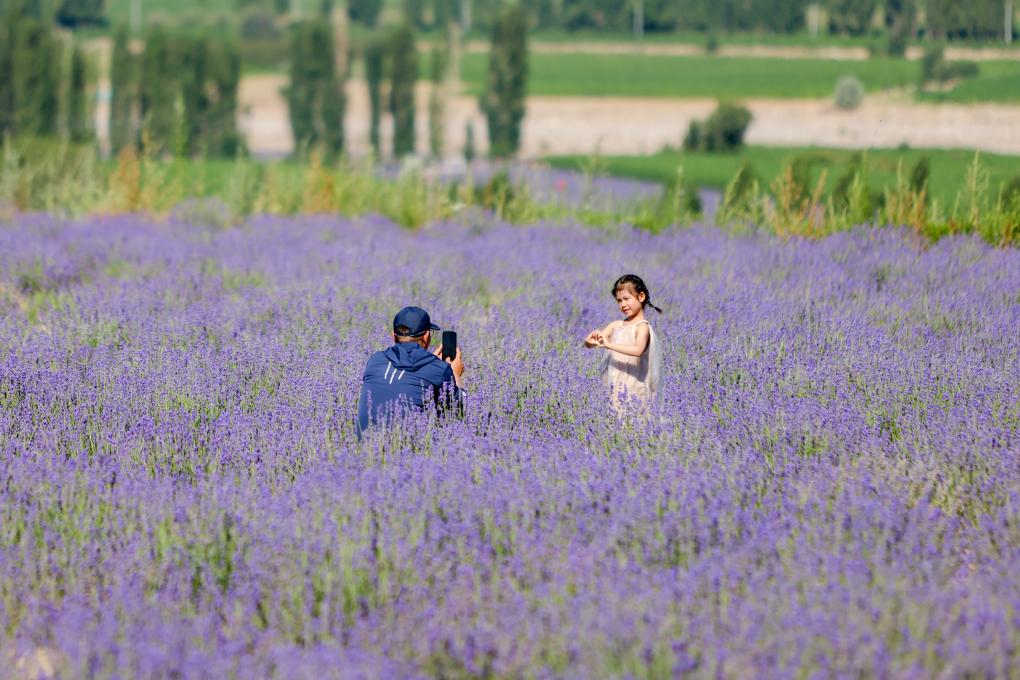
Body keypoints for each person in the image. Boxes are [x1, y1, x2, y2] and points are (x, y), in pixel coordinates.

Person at [357, 306, 464, 436]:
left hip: (365, 448)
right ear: (426, 336)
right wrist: (456, 375)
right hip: (407, 448)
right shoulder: (438, 369)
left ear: (393, 336)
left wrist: (432, 362)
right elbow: (457, 410)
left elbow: (408, 376)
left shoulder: (375, 360)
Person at [583, 274, 663, 411]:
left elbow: (638, 350)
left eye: (626, 299)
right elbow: (596, 342)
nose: (623, 304)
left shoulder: (642, 327)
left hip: (635, 384)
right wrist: (589, 341)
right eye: (619, 301)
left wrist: (610, 345)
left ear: (641, 297)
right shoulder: (616, 325)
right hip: (615, 382)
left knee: (635, 419)